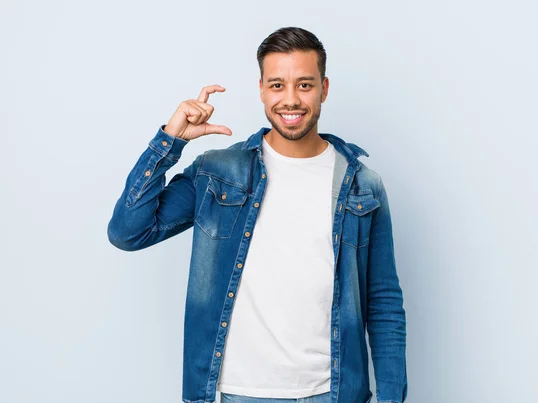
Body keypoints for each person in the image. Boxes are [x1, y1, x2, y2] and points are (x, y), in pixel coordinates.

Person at [107, 27, 407, 403]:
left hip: (334, 393)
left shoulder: (362, 185)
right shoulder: (218, 172)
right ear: (262, 89)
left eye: (305, 85)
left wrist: (392, 396)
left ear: (324, 88)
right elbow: (128, 232)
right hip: (240, 392)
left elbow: (383, 303)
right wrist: (170, 140)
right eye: (278, 85)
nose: (291, 100)